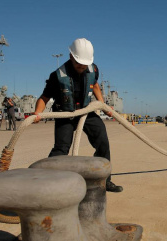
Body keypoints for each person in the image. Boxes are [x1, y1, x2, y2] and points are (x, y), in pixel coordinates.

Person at [32, 38, 122, 192]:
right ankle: (46, 182)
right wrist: (37, 113)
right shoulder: (57, 76)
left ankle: (104, 180)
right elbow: (44, 97)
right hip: (65, 114)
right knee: (61, 149)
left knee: (103, 143)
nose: (82, 67)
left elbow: (95, 87)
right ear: (71, 56)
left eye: (85, 64)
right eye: (79, 63)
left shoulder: (93, 69)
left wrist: (103, 105)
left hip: (86, 112)